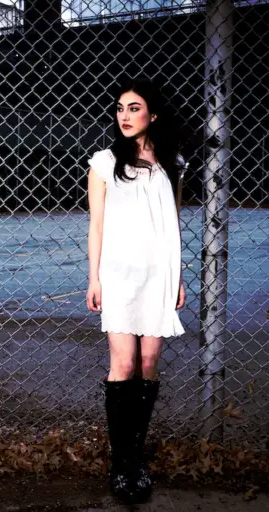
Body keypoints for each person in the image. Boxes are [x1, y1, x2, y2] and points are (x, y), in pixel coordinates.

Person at [85, 77, 187, 503]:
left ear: (153, 115)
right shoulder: (104, 163)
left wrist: (177, 276)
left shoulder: (171, 163)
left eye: (134, 108)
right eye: (120, 108)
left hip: (158, 274)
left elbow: (172, 223)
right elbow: (96, 225)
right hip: (119, 274)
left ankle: (137, 459)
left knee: (148, 363)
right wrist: (94, 277)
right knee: (124, 363)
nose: (124, 116)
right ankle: (121, 463)